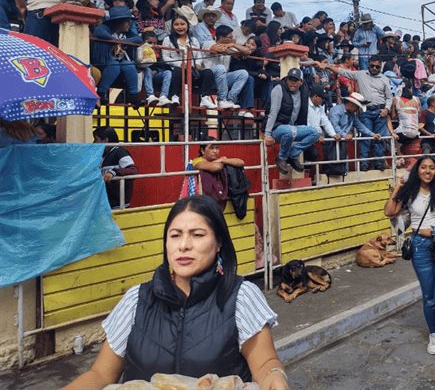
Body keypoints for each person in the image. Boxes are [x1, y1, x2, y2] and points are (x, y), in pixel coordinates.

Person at [62, 195, 288, 389]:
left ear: (218, 242)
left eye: (197, 235)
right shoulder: (136, 300)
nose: (183, 245)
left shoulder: (240, 297)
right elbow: (100, 375)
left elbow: (265, 363)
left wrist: (275, 376)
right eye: (175, 235)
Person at [383, 155, 435, 369]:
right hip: (420, 246)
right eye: (423, 167)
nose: (428, 171)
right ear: (417, 171)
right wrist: (398, 186)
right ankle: (433, 335)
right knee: (429, 297)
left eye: (432, 168)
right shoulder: (410, 191)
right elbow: (389, 212)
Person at [322, 55, 392, 171]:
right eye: (372, 66)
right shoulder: (360, 74)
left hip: (381, 111)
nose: (374, 68)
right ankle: (364, 164)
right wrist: (328, 66)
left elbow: (389, 97)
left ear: (380, 67)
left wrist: (387, 109)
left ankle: (379, 163)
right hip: (366, 110)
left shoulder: (385, 79)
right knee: (365, 138)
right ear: (368, 64)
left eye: (377, 66)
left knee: (380, 138)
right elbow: (342, 72)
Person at [264, 68, 319, 174]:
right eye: (290, 79)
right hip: (277, 127)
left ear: (301, 82)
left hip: (293, 127)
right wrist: (267, 134)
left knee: (316, 132)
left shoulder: (304, 91)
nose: (292, 82)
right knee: (290, 131)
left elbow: (305, 112)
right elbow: (273, 112)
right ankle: (281, 158)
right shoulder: (279, 89)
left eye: (295, 80)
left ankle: (293, 154)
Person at [162, 15, 218, 110]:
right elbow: (165, 57)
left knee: (208, 72)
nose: (180, 27)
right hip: (178, 73)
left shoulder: (194, 40)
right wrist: (178, 64)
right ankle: (174, 97)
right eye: (176, 25)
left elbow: (199, 55)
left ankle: (204, 98)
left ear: (187, 25)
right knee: (177, 71)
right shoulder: (168, 40)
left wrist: (198, 64)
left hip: (192, 72)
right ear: (172, 27)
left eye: (182, 24)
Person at [91, 6, 142, 104]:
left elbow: (139, 39)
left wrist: (123, 41)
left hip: (120, 61)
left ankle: (133, 96)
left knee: (129, 66)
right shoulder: (105, 28)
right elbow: (98, 32)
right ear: (119, 21)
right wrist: (114, 41)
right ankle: (101, 93)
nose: (129, 24)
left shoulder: (127, 33)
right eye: (127, 21)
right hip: (103, 62)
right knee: (115, 66)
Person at [200, 25, 252, 110]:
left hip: (223, 78)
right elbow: (220, 49)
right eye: (230, 37)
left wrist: (233, 44)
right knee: (220, 68)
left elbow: (248, 51)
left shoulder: (230, 46)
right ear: (222, 38)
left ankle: (230, 100)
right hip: (210, 77)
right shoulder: (209, 43)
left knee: (243, 73)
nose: (232, 38)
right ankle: (222, 100)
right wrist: (232, 50)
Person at [327, 92, 378, 176]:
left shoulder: (352, 115)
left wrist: (372, 134)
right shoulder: (336, 110)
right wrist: (345, 135)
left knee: (342, 161)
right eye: (357, 107)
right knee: (332, 162)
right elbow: (334, 126)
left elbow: (360, 126)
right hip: (331, 141)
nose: (357, 110)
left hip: (341, 141)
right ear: (351, 104)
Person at [193, 140, 246, 211]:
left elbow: (241, 162)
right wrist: (222, 161)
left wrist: (222, 160)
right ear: (202, 151)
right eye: (211, 148)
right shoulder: (198, 161)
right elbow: (216, 167)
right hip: (202, 199)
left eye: (217, 148)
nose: (215, 151)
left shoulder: (218, 160)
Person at [93, 126, 138, 209]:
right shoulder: (103, 155)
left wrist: (113, 173)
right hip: (106, 203)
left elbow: (133, 170)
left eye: (96, 139)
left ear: (106, 140)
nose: (94, 142)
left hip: (118, 204)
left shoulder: (120, 152)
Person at [303, 84, 339, 169]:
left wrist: (333, 134)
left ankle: (308, 174)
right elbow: (305, 123)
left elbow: (325, 122)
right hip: (306, 137)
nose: (323, 100)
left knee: (317, 154)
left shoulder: (319, 108)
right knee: (313, 154)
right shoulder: (305, 105)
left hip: (315, 138)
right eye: (322, 98)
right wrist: (316, 135)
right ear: (315, 96)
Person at [138, 30, 174, 106]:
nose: (153, 45)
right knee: (147, 70)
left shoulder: (158, 51)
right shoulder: (141, 50)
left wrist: (157, 69)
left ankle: (163, 97)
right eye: (149, 43)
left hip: (157, 75)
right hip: (146, 75)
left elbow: (164, 66)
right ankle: (150, 95)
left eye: (155, 43)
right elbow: (140, 64)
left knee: (168, 72)